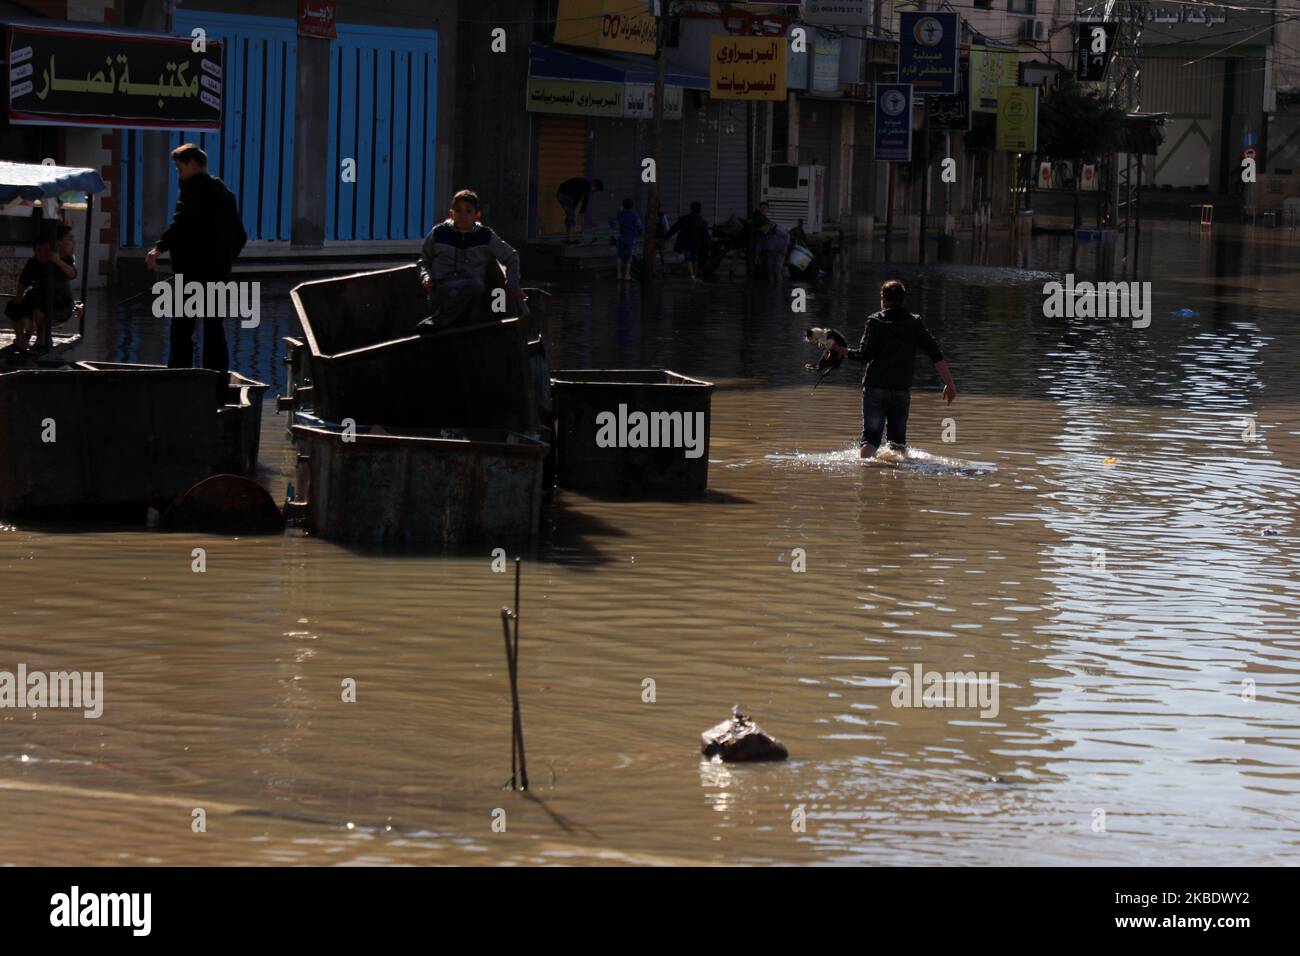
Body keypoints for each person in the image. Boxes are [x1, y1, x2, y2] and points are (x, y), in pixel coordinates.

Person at [145, 143, 246, 380]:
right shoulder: (225, 193)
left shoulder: (193, 189)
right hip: (218, 273)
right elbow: (240, 235)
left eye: (179, 167)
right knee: (214, 330)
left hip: (190, 273)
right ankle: (216, 386)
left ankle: (180, 382)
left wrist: (158, 249)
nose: (177, 173)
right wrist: (223, 262)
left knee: (181, 331)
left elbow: (182, 224)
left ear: (193, 164)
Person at [830, 279, 956, 459]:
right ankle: (897, 482)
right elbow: (935, 353)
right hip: (901, 389)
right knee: (897, 443)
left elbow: (863, 356)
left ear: (883, 298)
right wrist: (949, 384)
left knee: (871, 439)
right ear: (903, 299)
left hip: (875, 388)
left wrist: (836, 348)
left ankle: (866, 478)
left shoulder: (874, 322)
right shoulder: (915, 323)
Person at [417, 188, 524, 333]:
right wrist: (426, 276)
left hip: (472, 295)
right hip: (442, 290)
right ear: (451, 214)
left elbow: (511, 257)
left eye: (468, 211)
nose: (463, 215)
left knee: (476, 286)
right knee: (470, 288)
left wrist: (513, 284)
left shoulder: (485, 235)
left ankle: (437, 321)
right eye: (458, 210)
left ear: (477, 216)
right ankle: (440, 320)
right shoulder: (439, 233)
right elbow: (424, 261)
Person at [3, 232, 75, 355]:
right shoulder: (32, 263)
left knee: (39, 309)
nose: (42, 254)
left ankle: (41, 342)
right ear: (34, 251)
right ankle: (21, 341)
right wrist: (19, 296)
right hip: (38, 298)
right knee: (13, 306)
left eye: (46, 250)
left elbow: (72, 274)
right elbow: (23, 281)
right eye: (39, 251)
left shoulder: (61, 260)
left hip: (61, 303)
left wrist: (57, 261)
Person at [665, 202, 710, 281]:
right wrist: (708, 242)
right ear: (699, 210)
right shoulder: (701, 220)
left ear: (691, 209)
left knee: (688, 258)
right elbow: (705, 233)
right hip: (697, 243)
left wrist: (667, 236)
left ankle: (692, 276)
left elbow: (675, 228)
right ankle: (695, 275)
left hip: (686, 242)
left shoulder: (685, 219)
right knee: (695, 258)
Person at [556, 176, 603, 243]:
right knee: (571, 216)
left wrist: (581, 213)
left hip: (564, 194)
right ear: (594, 184)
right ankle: (570, 239)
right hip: (564, 194)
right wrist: (579, 214)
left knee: (570, 215)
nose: (594, 191)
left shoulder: (586, 186)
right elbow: (579, 198)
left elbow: (584, 201)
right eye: (595, 189)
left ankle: (568, 238)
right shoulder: (584, 185)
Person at [609, 198, 643, 282]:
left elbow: (611, 220)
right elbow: (639, 225)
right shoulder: (635, 215)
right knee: (628, 257)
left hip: (621, 237)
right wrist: (640, 232)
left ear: (623, 205)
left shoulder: (620, 213)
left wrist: (613, 226)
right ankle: (627, 275)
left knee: (620, 256)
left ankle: (619, 275)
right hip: (630, 238)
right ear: (632, 206)